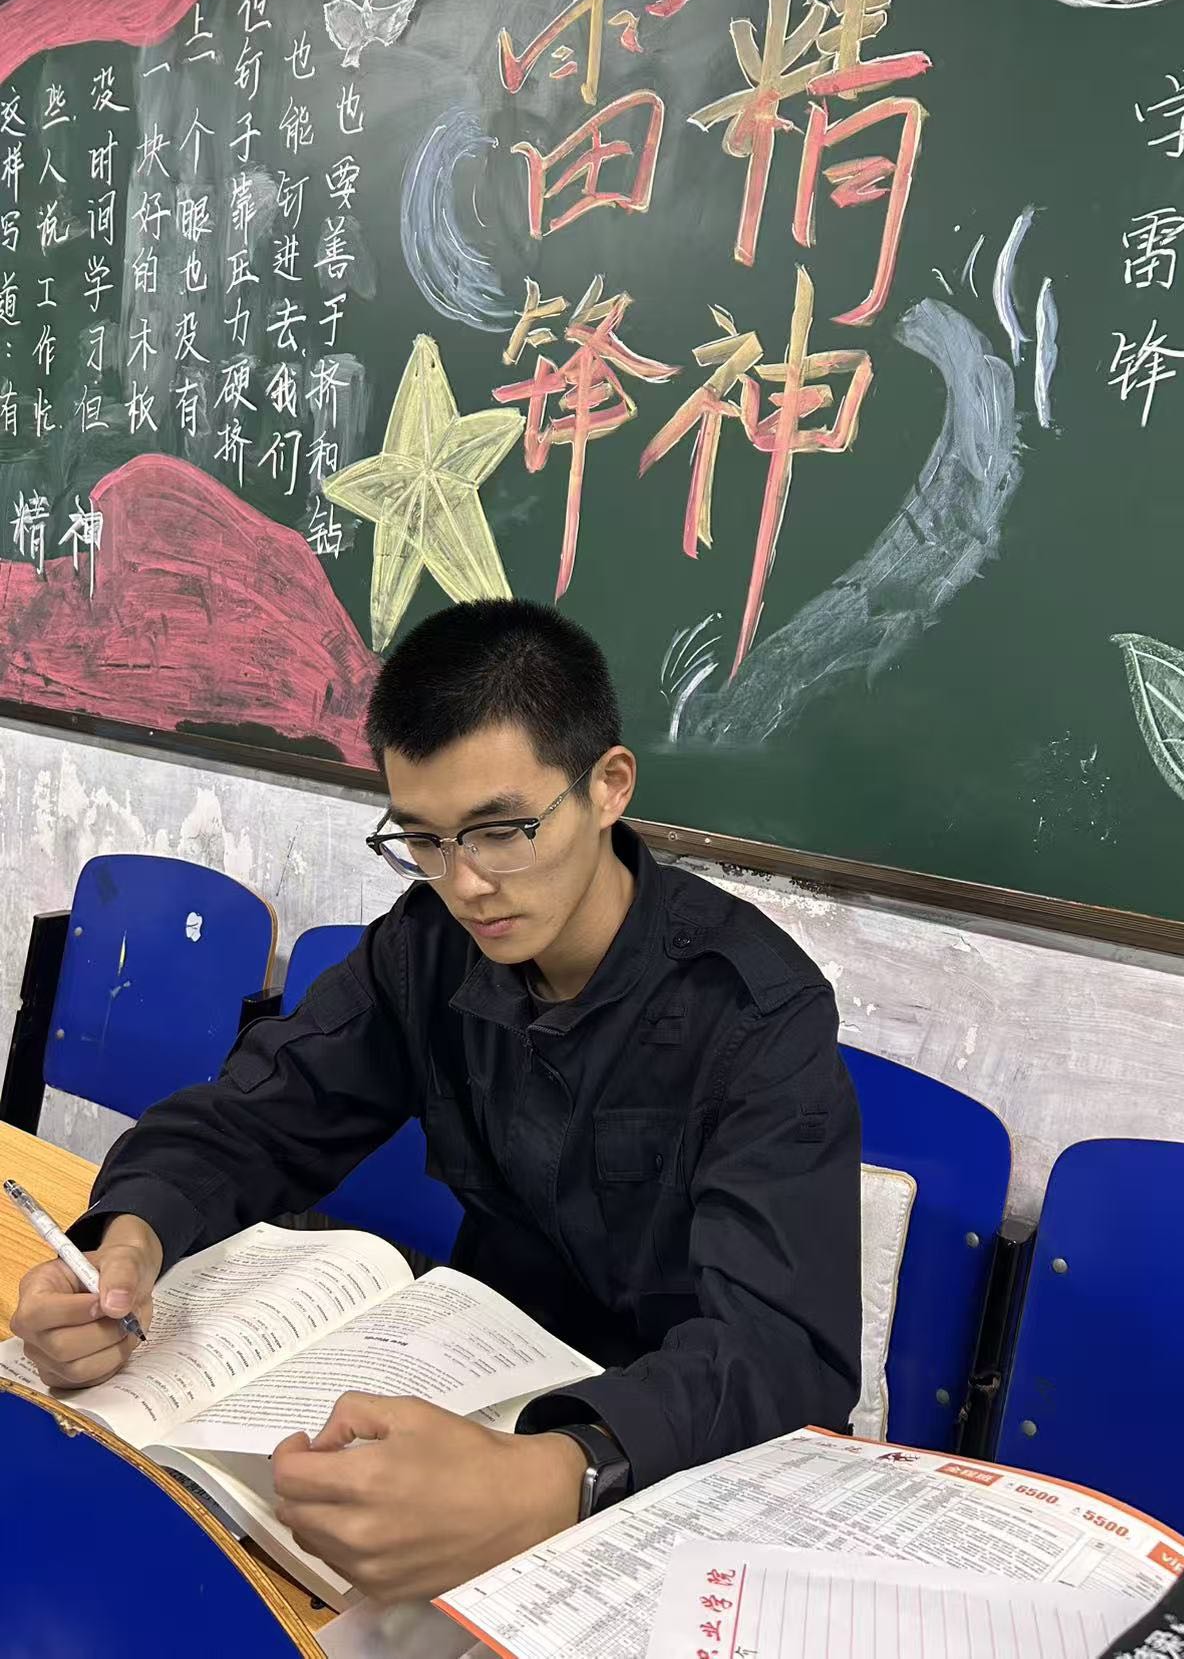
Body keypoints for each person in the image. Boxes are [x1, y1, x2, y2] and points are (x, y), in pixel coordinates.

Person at [10, 599, 861, 1602]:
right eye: (423, 839)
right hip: (475, 1387)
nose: (466, 884)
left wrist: (563, 1470)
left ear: (608, 787)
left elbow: (783, 1349)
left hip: (673, 1465)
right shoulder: (427, 948)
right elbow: (252, 1114)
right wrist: (127, 1240)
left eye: (501, 831)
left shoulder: (755, 1010)